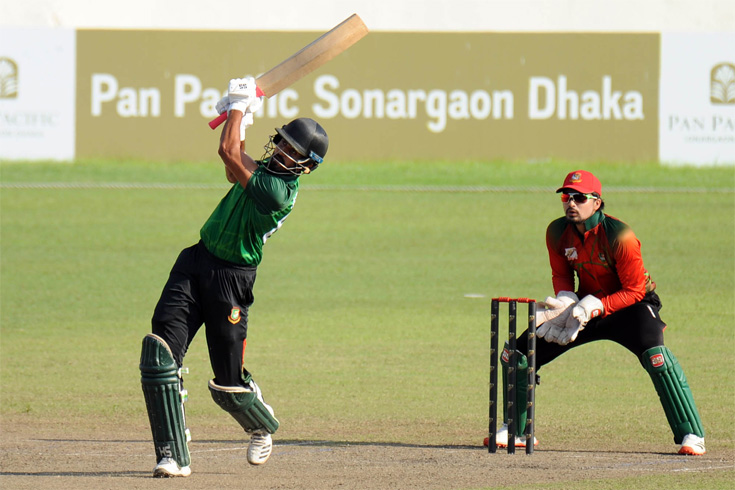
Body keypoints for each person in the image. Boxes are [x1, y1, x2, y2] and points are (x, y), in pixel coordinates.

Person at [139, 77, 329, 477]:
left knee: (226, 385)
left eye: (293, 151)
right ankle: (172, 451)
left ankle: (261, 425)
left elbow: (226, 151)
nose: (282, 151)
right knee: (159, 356)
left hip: (232, 280)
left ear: (307, 167)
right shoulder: (260, 172)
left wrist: (240, 106)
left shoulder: (278, 193)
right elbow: (232, 165)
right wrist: (240, 117)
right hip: (195, 261)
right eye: (282, 142)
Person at [491, 170, 706, 455]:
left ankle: (692, 434)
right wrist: (566, 299)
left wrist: (600, 306)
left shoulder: (621, 235)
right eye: (567, 197)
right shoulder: (557, 231)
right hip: (583, 307)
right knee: (519, 353)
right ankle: (516, 430)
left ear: (597, 202)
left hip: (631, 306)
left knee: (657, 358)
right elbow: (562, 274)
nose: (571, 203)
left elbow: (635, 289)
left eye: (580, 198)